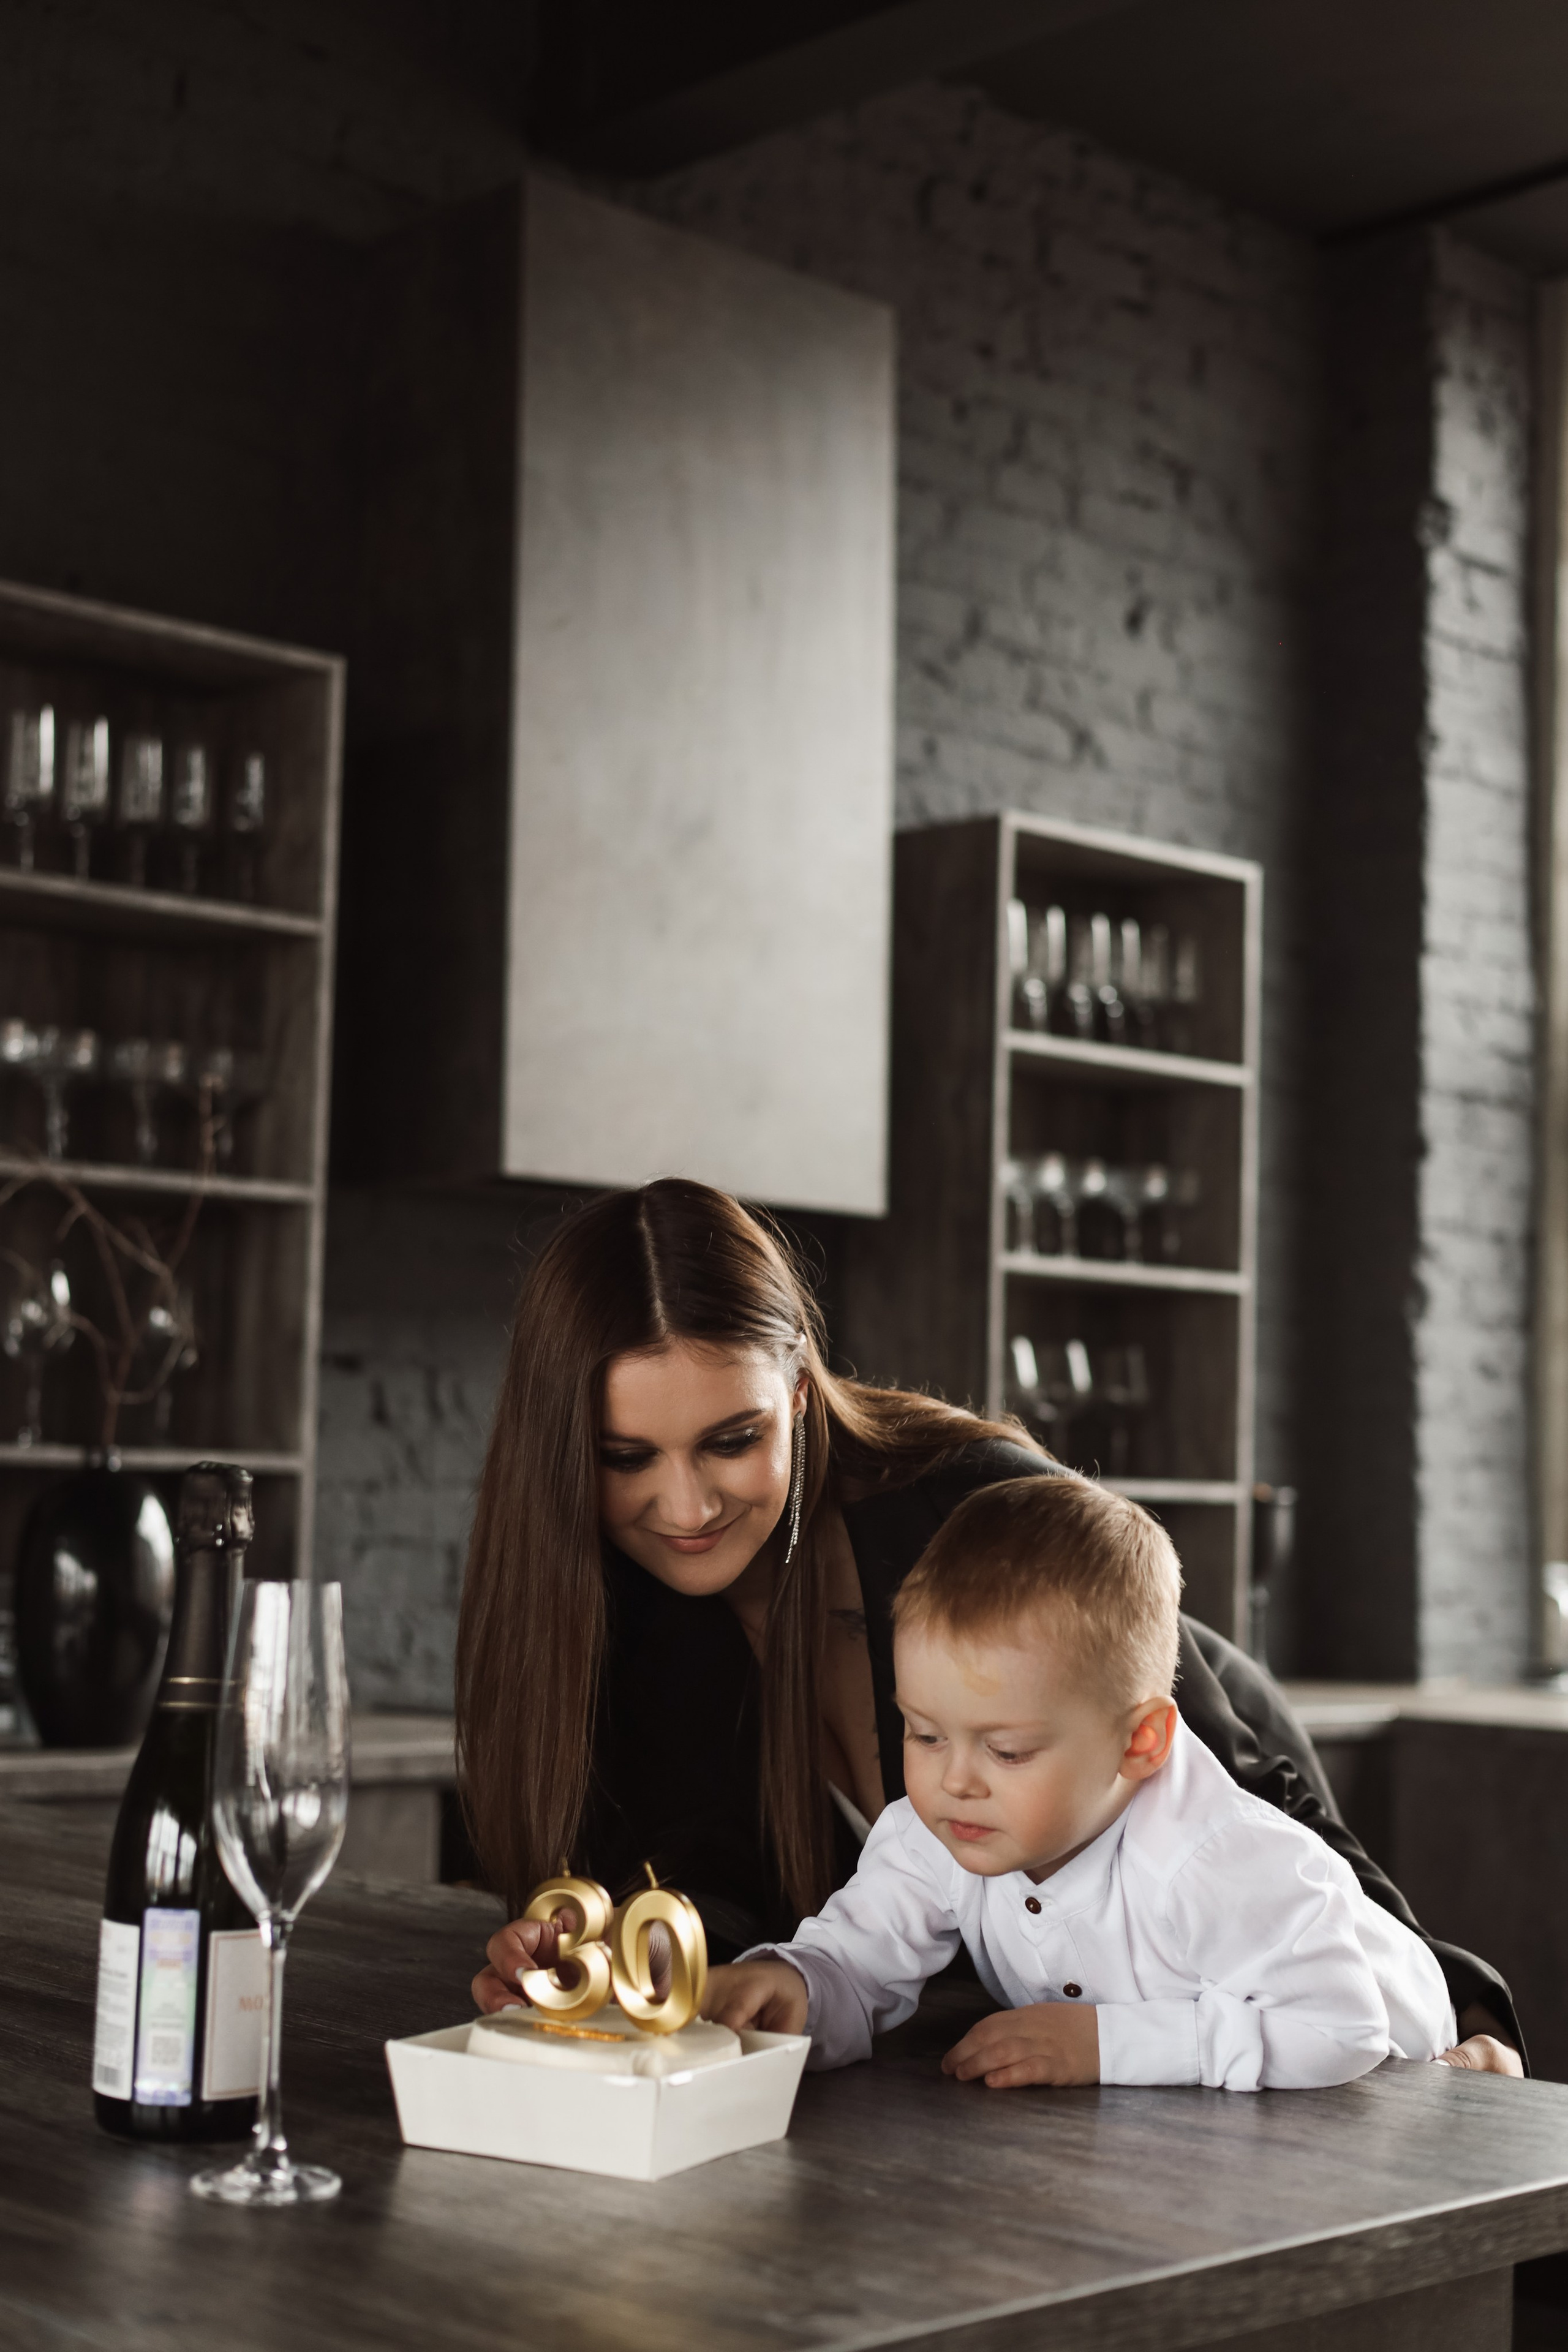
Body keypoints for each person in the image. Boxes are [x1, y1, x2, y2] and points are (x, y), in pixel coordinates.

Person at [459, 1177, 1521, 2071]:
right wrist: (642, 1955)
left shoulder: (973, 1512)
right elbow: (724, 1876)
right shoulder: (611, 1605)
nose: (687, 1507)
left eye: (730, 1440)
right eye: (627, 1458)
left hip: (1263, 1910)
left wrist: (1455, 2009)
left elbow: (1263, 1832)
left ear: (795, 1392)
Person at [703, 1476, 1454, 2089]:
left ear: (1140, 1742)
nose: (952, 1780)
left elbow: (1341, 2032)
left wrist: (1104, 2047)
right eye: (923, 1734)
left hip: (1404, 2092)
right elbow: (859, 1962)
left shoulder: (1214, 1861)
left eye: (1008, 1751)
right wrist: (796, 1986)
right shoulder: (939, 1831)